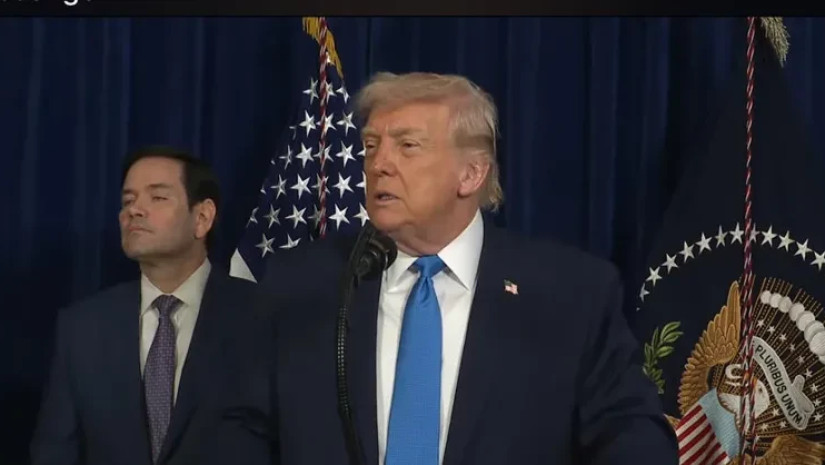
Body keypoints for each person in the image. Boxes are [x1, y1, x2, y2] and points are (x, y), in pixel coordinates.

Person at [219, 72, 679, 464]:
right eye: (371, 145)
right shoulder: (300, 283)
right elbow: (240, 431)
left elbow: (634, 439)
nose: (379, 164)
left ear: (471, 174)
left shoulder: (570, 294)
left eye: (408, 146)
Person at [30, 146, 258, 465]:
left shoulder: (262, 316)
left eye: (157, 197)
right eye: (128, 200)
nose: (134, 210)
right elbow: (55, 452)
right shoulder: (81, 328)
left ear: (202, 217)